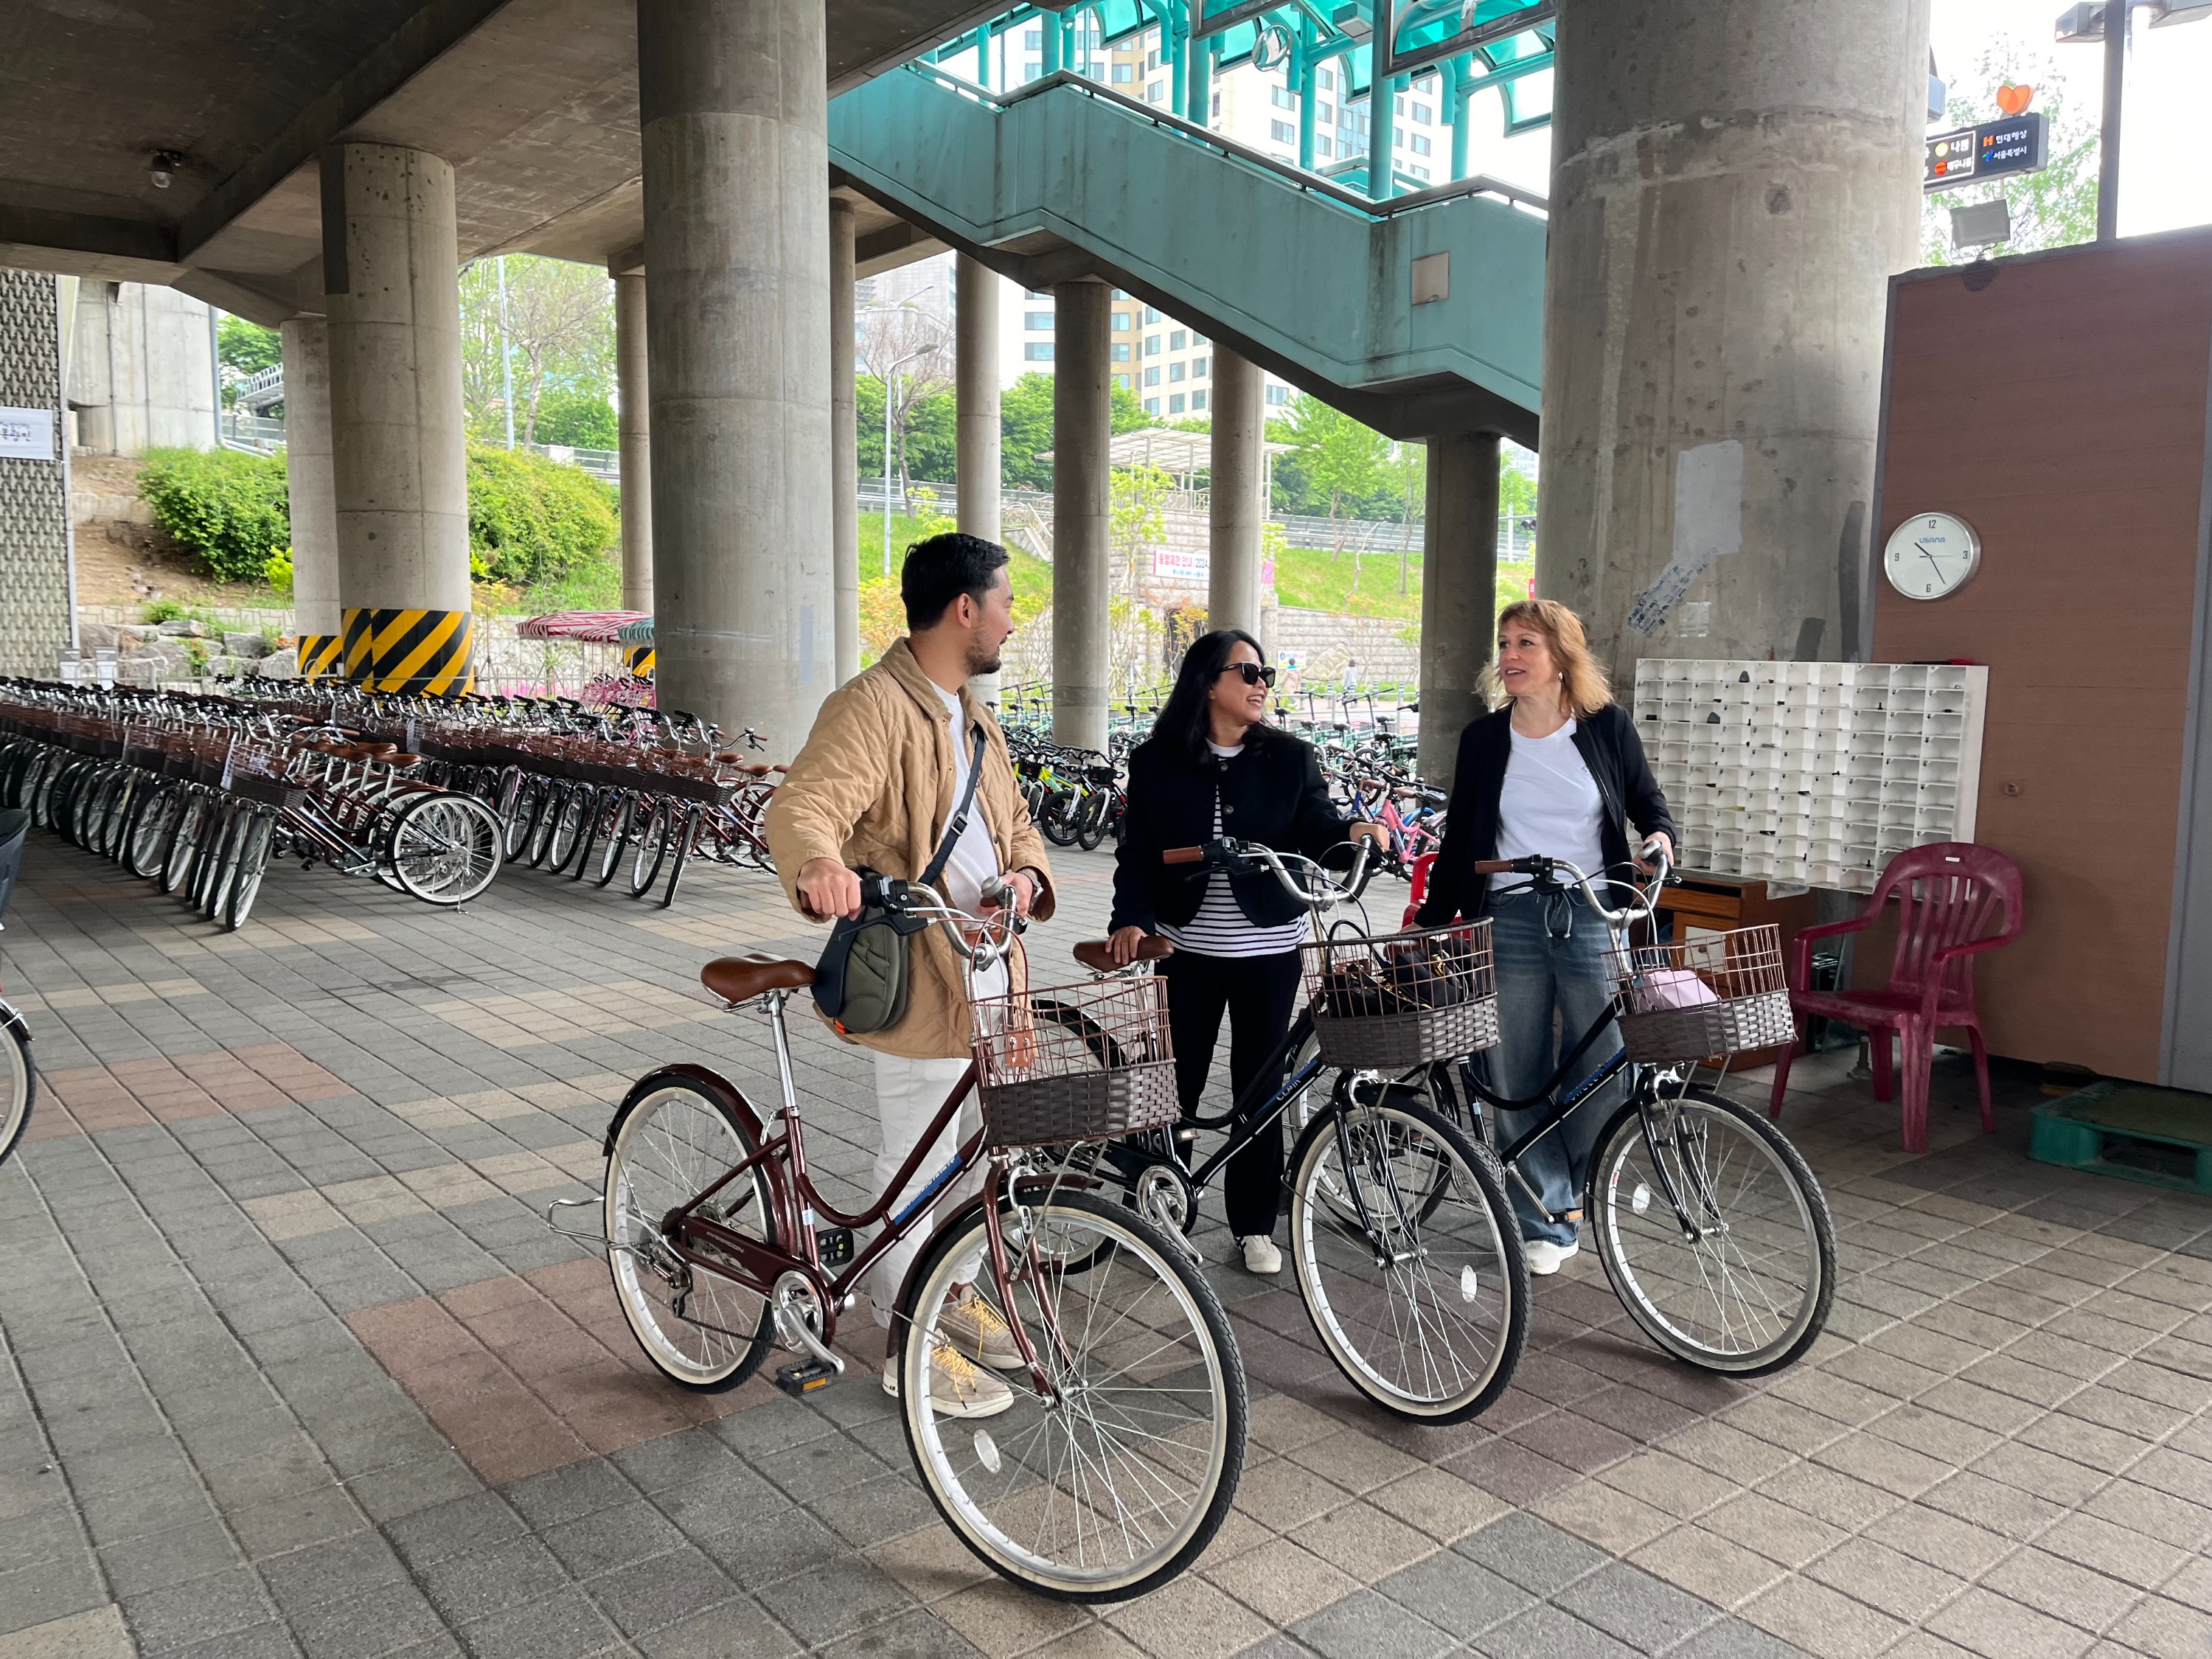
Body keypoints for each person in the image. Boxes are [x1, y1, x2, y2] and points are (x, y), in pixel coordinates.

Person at [764, 533, 1055, 1417]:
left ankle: (952, 1296)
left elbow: (1021, 831)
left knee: (979, 1158)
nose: (1013, 618)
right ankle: (910, 1342)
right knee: (915, 1166)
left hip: (993, 967)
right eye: (1005, 601)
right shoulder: (874, 705)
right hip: (922, 968)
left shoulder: (975, 715)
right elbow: (806, 802)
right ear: (964, 608)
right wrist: (819, 864)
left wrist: (1026, 879)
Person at [1106, 630, 1385, 1275]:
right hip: (1187, 948)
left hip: (1269, 949)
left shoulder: (1289, 757)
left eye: (1266, 675)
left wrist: (1350, 832)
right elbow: (1138, 854)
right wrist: (1132, 918)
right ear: (1209, 682)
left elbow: (1317, 826)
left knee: (1262, 1087)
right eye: (1248, 671)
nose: (1261, 684)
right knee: (1175, 1084)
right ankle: (1159, 1211)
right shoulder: (1155, 761)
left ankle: (1254, 1222)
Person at [1414, 599, 1676, 1275]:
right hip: (1511, 917)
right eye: (1504, 644)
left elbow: (1647, 801)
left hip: (1592, 910)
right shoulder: (1483, 739)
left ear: (1562, 657)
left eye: (1525, 643)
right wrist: (1430, 924)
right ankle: (1544, 1215)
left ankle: (1581, 1184)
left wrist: (1660, 837)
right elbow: (1460, 839)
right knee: (1515, 1072)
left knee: (1607, 1068)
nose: (1510, 657)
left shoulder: (1606, 728)